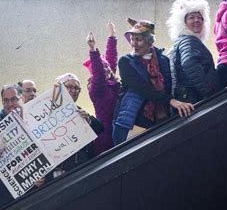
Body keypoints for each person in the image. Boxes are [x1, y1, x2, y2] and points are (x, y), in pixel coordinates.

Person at [113, 18, 194, 145]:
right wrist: (172, 101)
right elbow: (143, 88)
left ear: (149, 42)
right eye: (132, 39)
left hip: (159, 118)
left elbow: (167, 86)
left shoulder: (163, 60)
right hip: (133, 120)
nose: (134, 43)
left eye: (138, 39)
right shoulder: (126, 61)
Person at [42, 73, 104, 182]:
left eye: (76, 88)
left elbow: (99, 128)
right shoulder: (44, 113)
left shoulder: (79, 111)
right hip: (53, 177)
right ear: (59, 88)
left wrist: (88, 119)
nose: (73, 90)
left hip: (80, 171)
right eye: (69, 86)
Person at [166, 0, 218, 104]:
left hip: (187, 95)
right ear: (183, 22)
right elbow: (190, 64)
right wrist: (207, 92)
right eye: (191, 17)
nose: (196, 20)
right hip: (193, 97)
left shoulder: (184, 40)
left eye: (200, 17)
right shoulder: (189, 41)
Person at [83, 22, 121, 155]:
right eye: (101, 67)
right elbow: (99, 73)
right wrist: (92, 49)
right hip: (105, 135)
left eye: (106, 67)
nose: (106, 70)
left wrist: (112, 36)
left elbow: (111, 60)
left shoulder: (111, 82)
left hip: (118, 128)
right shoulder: (96, 89)